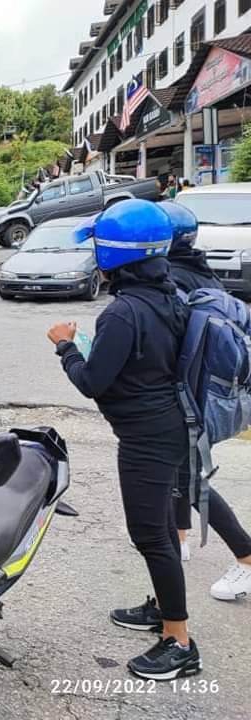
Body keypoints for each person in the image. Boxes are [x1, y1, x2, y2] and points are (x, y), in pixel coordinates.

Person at [48, 200, 200, 681]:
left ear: (113, 251)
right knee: (160, 529)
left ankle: (178, 641)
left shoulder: (124, 312)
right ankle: (162, 609)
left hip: (146, 438)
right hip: (171, 425)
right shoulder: (168, 293)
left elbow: (93, 381)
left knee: (151, 535)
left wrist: (65, 345)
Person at [161, 201, 251, 599]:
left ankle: (246, 557)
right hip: (213, 392)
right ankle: (179, 538)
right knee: (182, 473)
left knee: (190, 478)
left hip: (191, 397)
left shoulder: (172, 280)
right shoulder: (200, 269)